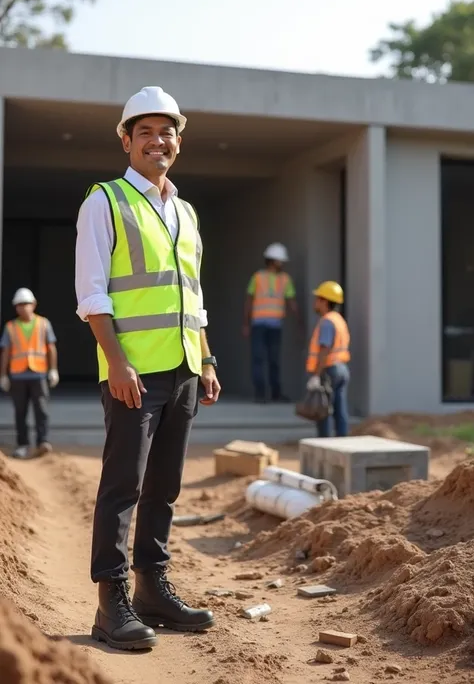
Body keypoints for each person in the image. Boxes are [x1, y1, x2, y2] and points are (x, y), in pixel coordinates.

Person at [75, 86, 221, 652]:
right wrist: (117, 363)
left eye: (167, 132)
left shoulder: (184, 211)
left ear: (177, 141)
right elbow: (92, 294)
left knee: (164, 487)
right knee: (123, 486)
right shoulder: (105, 201)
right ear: (126, 140)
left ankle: (152, 589)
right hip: (132, 372)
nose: (157, 141)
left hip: (184, 365)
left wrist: (205, 357)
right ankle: (111, 601)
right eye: (145, 132)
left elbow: (192, 293)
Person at [0, 288, 59, 458]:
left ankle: (43, 442)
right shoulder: (10, 327)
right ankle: (23, 444)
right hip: (18, 375)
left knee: (41, 409)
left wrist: (53, 370)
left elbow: (51, 348)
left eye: (26, 304)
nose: (23, 307)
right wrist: (3, 375)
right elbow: (5, 352)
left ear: (33, 304)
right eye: (19, 305)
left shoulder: (43, 323)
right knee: (20, 411)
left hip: (38, 374)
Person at [243, 243, 300, 402]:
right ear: (272, 260)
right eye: (280, 260)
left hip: (274, 325)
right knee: (259, 359)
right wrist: (246, 324)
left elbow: (291, 302)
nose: (282, 263)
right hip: (259, 324)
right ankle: (260, 394)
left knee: (273, 361)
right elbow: (249, 301)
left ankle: (275, 393)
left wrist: (299, 322)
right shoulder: (258, 277)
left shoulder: (284, 279)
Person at [306, 281, 350, 437]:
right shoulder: (338, 319)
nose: (315, 302)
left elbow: (324, 349)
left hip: (329, 369)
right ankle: (342, 441)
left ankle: (324, 443)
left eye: (318, 298)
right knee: (340, 409)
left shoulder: (327, 322)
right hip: (341, 368)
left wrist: (317, 375)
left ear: (325, 301)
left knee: (323, 409)